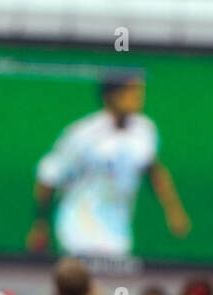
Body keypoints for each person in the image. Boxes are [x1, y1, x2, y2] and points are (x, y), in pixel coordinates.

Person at [28, 70, 189, 259]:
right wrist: (40, 225)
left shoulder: (145, 130)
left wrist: (173, 211)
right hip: (79, 226)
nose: (138, 97)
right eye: (131, 91)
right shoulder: (83, 134)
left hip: (118, 228)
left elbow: (153, 170)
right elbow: (48, 176)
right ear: (111, 96)